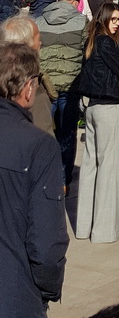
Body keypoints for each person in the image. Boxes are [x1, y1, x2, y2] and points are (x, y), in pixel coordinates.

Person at [0, 43, 68, 317]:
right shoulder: (39, 146)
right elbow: (47, 240)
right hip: (14, 293)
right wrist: (49, 288)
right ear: (29, 88)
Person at [76, 2, 119, 243]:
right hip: (106, 106)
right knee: (107, 166)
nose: (116, 23)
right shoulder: (106, 42)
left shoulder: (92, 41)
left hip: (91, 105)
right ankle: (103, 230)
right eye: (113, 18)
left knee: (89, 165)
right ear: (104, 19)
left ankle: (84, 225)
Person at [36, 0, 88, 188]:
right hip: (70, 86)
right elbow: (86, 52)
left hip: (46, 87)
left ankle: (43, 176)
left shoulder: (39, 21)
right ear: (74, 1)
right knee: (67, 134)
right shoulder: (82, 22)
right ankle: (63, 178)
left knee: (43, 133)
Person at [0, 14, 55, 135]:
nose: (40, 43)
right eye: (37, 38)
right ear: (25, 46)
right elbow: (43, 135)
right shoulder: (30, 85)